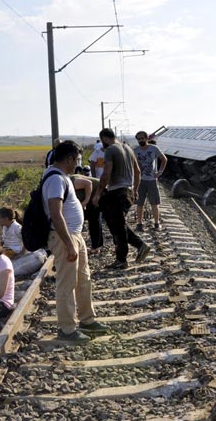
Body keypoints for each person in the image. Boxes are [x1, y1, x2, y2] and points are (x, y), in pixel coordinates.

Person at [44, 140, 109, 342]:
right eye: (77, 159)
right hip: (66, 238)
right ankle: (67, 329)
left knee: (83, 279)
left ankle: (87, 320)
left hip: (74, 235)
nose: (77, 164)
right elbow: (56, 213)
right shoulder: (55, 179)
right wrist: (69, 243)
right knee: (67, 284)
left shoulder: (62, 177)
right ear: (70, 158)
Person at [92, 128, 150, 269]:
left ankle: (122, 259)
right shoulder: (128, 149)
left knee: (118, 227)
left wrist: (98, 194)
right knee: (117, 223)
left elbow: (106, 174)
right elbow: (138, 171)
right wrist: (135, 190)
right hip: (127, 191)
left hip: (116, 192)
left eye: (102, 141)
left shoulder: (111, 150)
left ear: (105, 138)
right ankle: (139, 245)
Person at [133, 130, 167, 231]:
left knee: (154, 203)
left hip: (151, 180)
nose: (141, 140)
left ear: (147, 138)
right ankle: (139, 224)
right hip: (140, 180)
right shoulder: (135, 150)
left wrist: (160, 172)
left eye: (142, 138)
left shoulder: (154, 149)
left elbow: (164, 159)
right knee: (139, 203)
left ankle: (156, 223)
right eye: (139, 139)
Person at [70, 172, 103, 251]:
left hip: (98, 193)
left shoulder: (71, 181)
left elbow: (88, 183)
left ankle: (96, 246)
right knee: (95, 219)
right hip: (95, 195)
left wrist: (85, 202)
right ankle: (98, 245)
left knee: (93, 220)